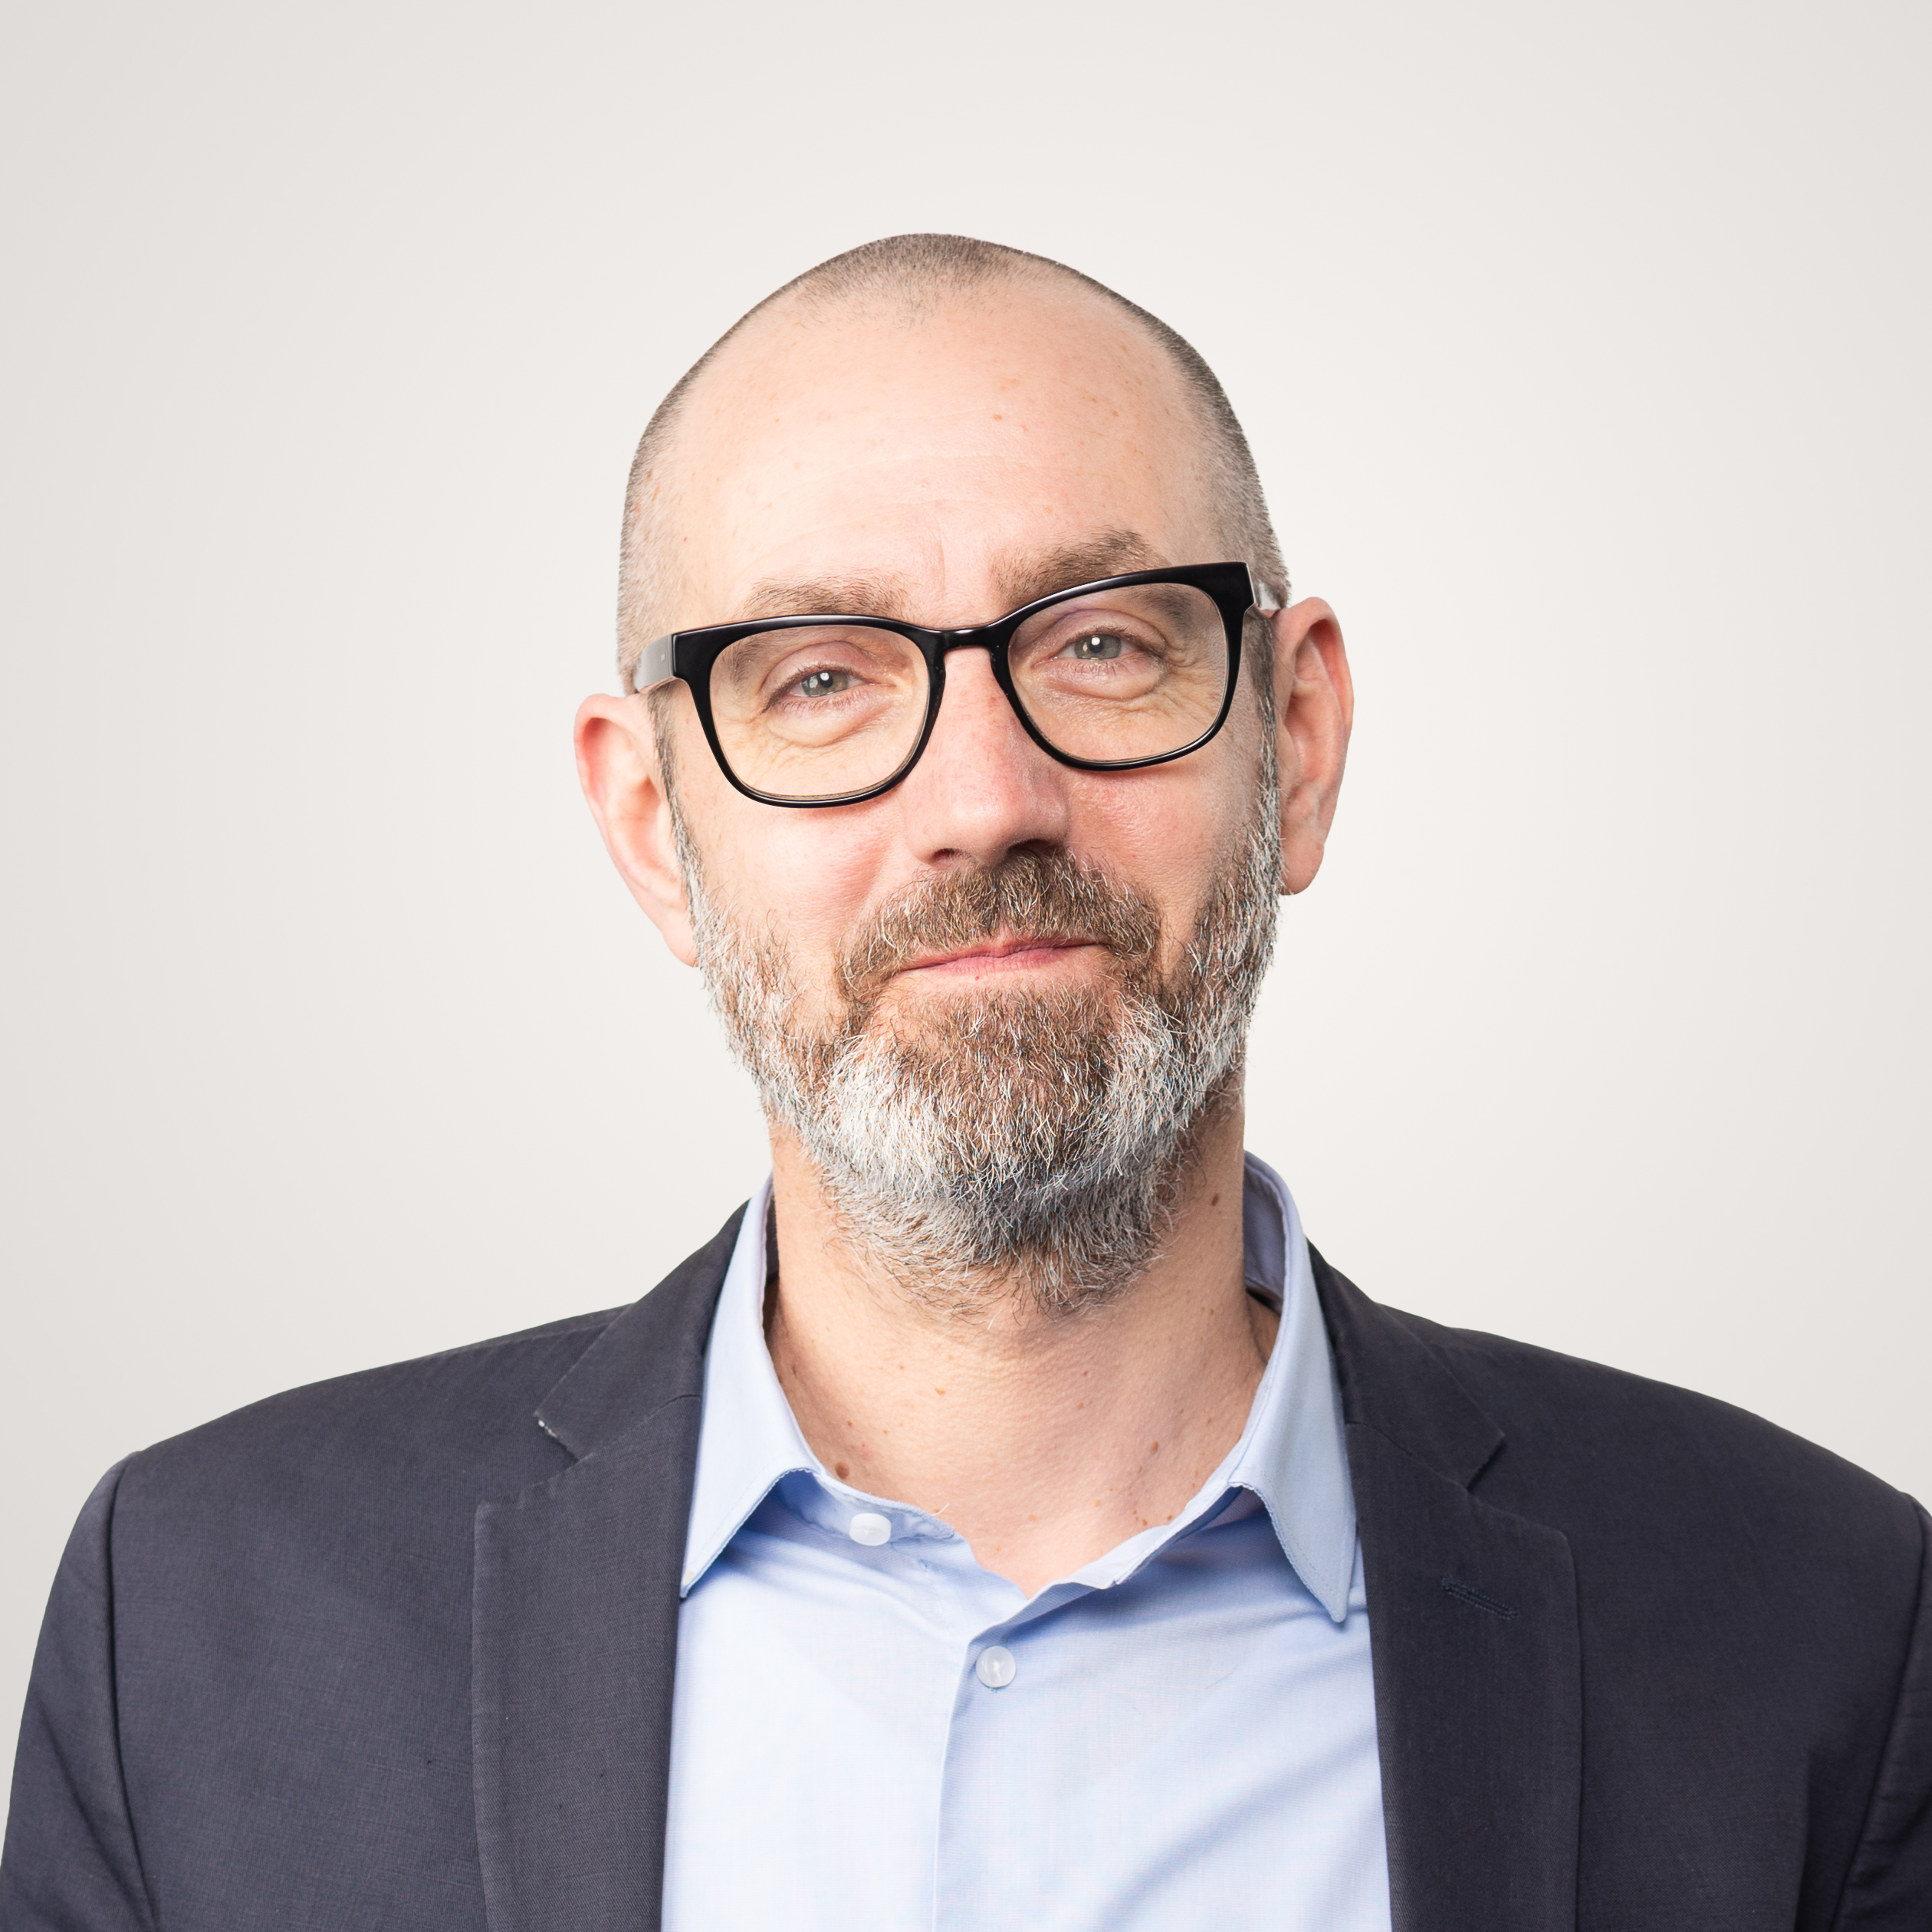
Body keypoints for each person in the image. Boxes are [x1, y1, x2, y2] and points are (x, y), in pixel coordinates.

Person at [3, 234, 1927, 1931]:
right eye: (818, 677)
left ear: (1302, 738)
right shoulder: (191, 1628)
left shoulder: (1822, 1632)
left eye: (1101, 643)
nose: (986, 799)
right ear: (651, 822)